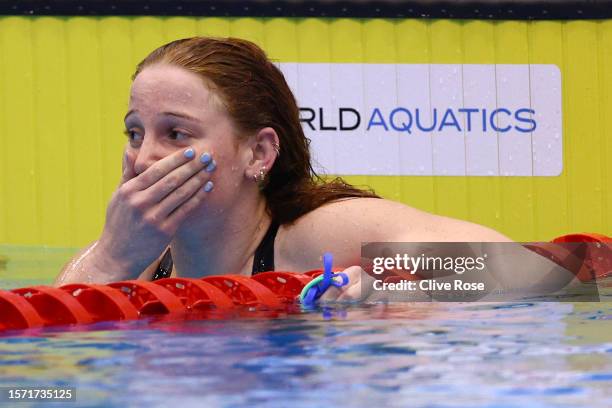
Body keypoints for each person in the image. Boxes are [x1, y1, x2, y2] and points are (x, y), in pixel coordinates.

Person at [55, 37, 515, 302]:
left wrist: (396, 286)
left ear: (258, 154)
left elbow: (531, 269)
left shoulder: (314, 236)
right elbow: (47, 371)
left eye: (176, 134)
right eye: (135, 133)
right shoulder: (133, 260)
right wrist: (111, 257)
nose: (145, 158)